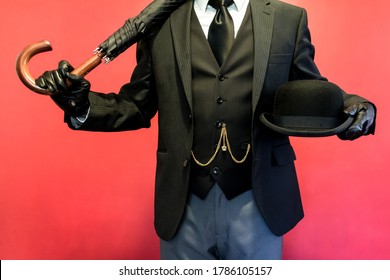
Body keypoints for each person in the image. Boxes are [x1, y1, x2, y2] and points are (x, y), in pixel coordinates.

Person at [36, 0, 376, 260]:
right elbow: (136, 105)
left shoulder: (289, 18)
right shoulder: (158, 23)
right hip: (183, 205)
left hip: (259, 202)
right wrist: (79, 104)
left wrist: (352, 106)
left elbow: (307, 89)